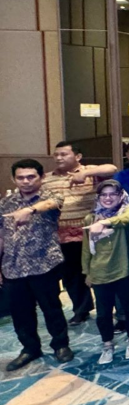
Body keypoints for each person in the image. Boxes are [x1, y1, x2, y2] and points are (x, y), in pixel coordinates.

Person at [1, 159, 74, 371]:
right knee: (20, 313)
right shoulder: (5, 203)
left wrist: (30, 210)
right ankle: (30, 348)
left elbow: (51, 204)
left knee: (51, 309)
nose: (26, 181)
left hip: (44, 265)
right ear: (13, 179)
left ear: (41, 177)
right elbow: (1, 235)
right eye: (21, 177)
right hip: (13, 266)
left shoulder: (50, 197)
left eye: (31, 177)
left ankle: (61, 345)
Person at [42, 141, 118, 325]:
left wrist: (84, 173)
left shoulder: (90, 171)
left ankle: (112, 311)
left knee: (103, 272)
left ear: (78, 156)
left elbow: (112, 168)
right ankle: (81, 309)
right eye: (56, 154)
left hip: (92, 232)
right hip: (63, 235)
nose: (59, 158)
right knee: (72, 275)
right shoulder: (47, 178)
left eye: (64, 154)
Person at [81, 180, 129, 364]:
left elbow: (125, 220)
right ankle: (107, 345)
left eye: (113, 194)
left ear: (120, 196)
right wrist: (87, 272)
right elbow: (86, 248)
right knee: (103, 313)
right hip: (99, 271)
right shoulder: (90, 219)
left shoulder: (127, 211)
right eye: (104, 195)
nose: (108, 198)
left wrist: (105, 223)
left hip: (123, 269)